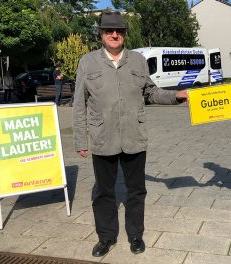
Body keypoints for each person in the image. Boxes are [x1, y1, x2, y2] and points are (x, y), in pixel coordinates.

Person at [72, 11, 188, 258]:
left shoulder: (137, 61)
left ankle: (135, 235)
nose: (115, 35)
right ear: (101, 34)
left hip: (135, 137)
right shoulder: (88, 62)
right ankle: (106, 237)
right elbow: (79, 104)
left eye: (119, 31)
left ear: (125, 34)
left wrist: (176, 96)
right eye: (109, 31)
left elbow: (150, 92)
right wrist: (81, 140)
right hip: (103, 138)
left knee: (136, 191)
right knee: (104, 192)